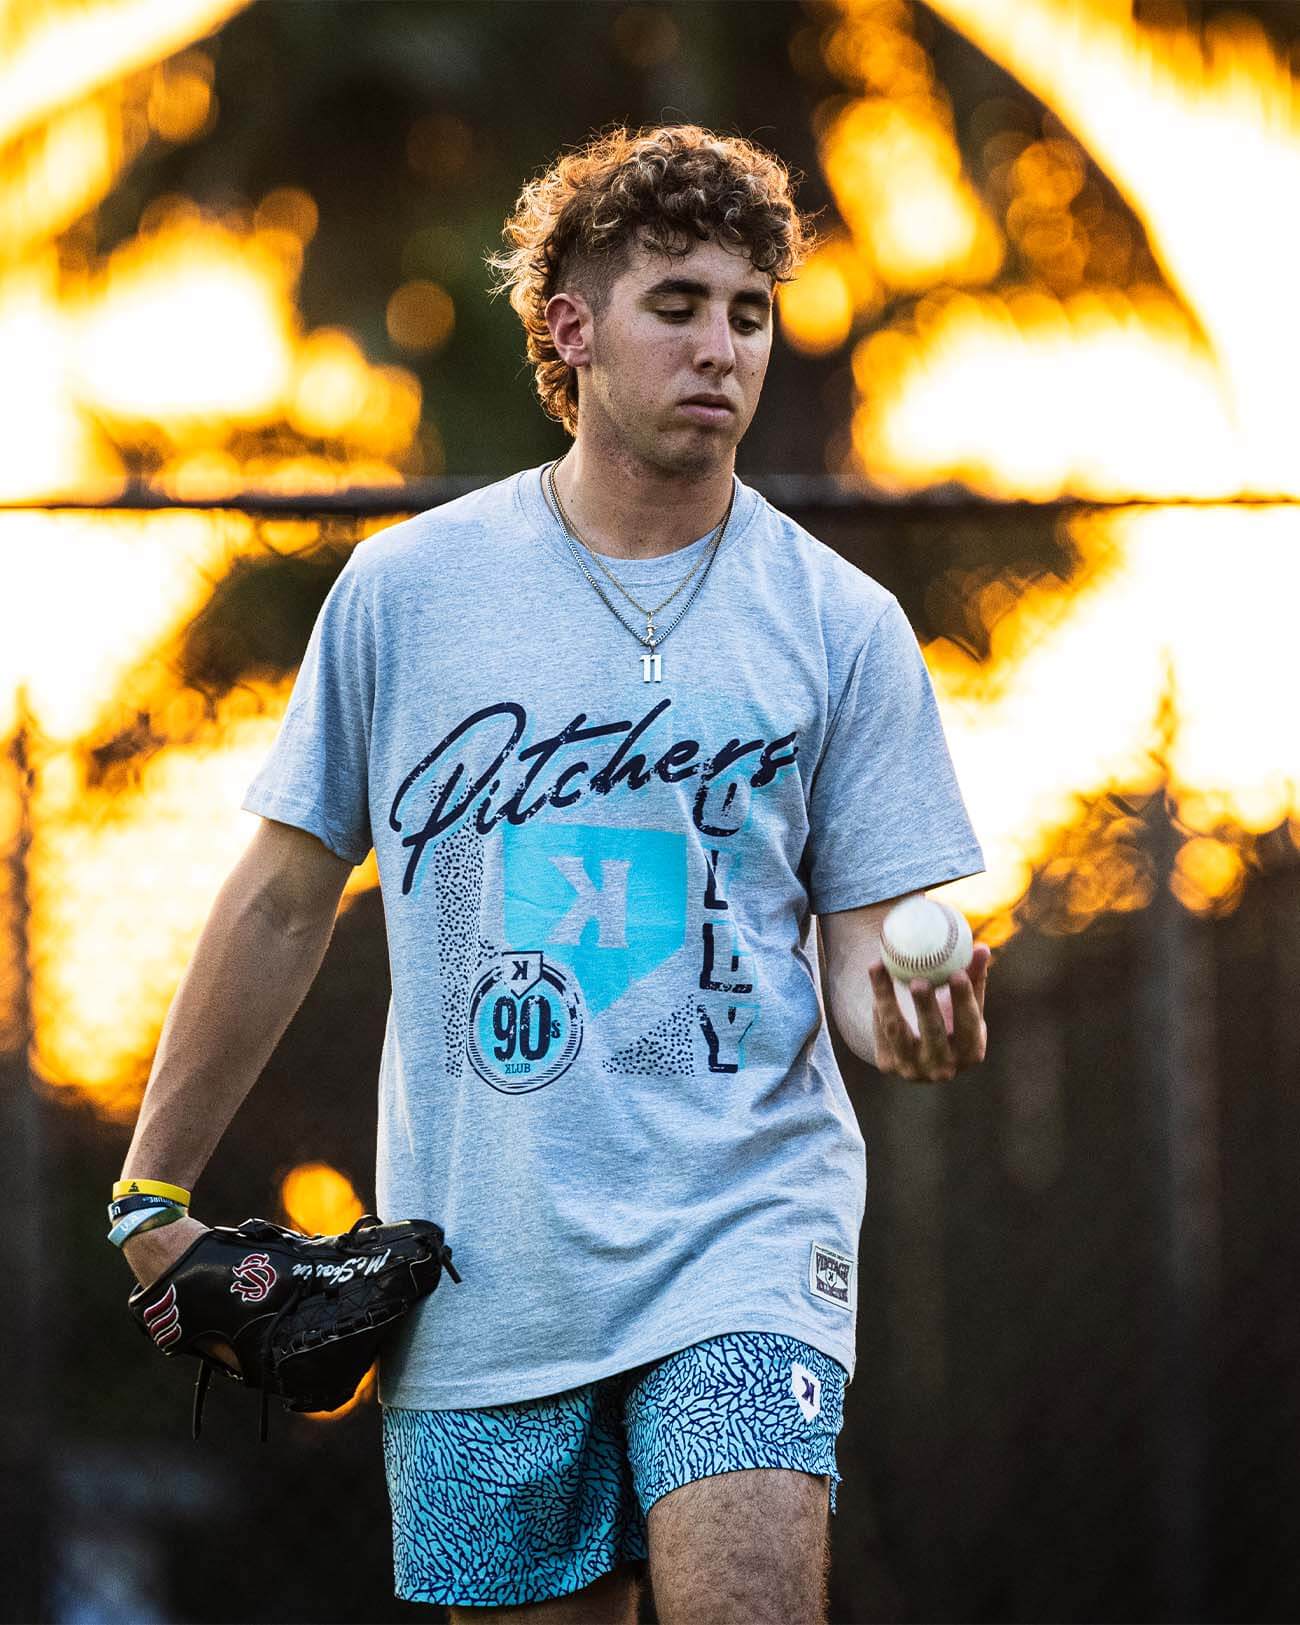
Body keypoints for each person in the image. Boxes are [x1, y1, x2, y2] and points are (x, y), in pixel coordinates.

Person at [113, 123, 991, 1625]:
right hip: (484, 1266)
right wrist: (151, 1189)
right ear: (572, 330)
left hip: (746, 1230)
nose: (723, 346)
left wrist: (896, 1015)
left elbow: (857, 945)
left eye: (751, 312)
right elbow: (279, 895)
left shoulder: (840, 622)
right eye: (679, 305)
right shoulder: (410, 591)